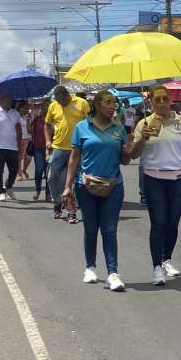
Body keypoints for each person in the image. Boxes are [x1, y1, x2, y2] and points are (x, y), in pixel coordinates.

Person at [129, 85, 181, 286]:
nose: (161, 103)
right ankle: (156, 268)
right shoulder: (144, 123)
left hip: (177, 179)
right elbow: (133, 155)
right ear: (150, 102)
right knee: (158, 223)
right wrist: (143, 138)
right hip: (154, 180)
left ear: (170, 100)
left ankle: (166, 258)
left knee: (173, 223)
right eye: (156, 99)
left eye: (164, 99)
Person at [63, 90, 129, 292]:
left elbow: (125, 159)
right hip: (86, 186)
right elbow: (74, 158)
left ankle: (113, 273)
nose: (112, 106)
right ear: (97, 105)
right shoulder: (82, 127)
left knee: (110, 230)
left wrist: (137, 142)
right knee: (91, 229)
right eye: (108, 102)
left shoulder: (119, 129)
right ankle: (90, 267)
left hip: (113, 185)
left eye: (114, 103)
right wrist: (67, 186)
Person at [45, 86, 90, 223]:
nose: (60, 103)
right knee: (51, 178)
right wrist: (47, 140)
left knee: (71, 181)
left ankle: (71, 210)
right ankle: (58, 202)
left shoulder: (81, 103)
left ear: (66, 95)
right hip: (58, 147)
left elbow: (91, 123)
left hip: (77, 148)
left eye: (61, 100)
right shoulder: (53, 106)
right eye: (57, 100)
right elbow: (47, 124)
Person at [30, 101, 49, 202]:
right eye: (42, 107)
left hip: (50, 149)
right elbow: (30, 130)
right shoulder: (37, 119)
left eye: (45, 106)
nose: (43, 108)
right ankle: (38, 190)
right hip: (38, 148)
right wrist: (30, 117)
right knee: (39, 170)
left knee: (48, 172)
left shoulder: (53, 119)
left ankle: (48, 194)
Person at [17, 101, 33, 181]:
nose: (26, 110)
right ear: (19, 108)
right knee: (20, 157)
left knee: (29, 157)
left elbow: (30, 129)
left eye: (27, 108)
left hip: (28, 138)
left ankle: (24, 170)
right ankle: (19, 174)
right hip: (19, 138)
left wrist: (28, 119)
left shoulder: (28, 117)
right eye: (24, 108)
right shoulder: (16, 116)